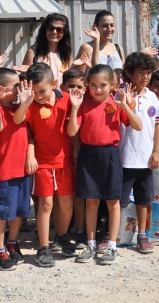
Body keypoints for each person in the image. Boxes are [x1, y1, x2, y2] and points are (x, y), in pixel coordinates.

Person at [68, 64, 142, 265]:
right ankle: (91, 244)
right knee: (91, 202)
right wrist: (75, 107)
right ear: (87, 85)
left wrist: (124, 105)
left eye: (102, 85)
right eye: (93, 85)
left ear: (112, 85)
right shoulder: (83, 105)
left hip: (110, 155)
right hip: (88, 155)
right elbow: (72, 131)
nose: (98, 89)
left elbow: (138, 125)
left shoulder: (117, 103)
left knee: (112, 202)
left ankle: (111, 245)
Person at [13, 63, 76, 267]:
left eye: (42, 91)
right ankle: (43, 247)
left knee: (66, 203)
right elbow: (18, 122)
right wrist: (24, 103)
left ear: (54, 84)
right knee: (45, 204)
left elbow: (73, 131)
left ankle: (62, 236)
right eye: (34, 92)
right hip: (42, 162)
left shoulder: (67, 100)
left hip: (64, 161)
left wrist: (75, 107)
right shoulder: (30, 104)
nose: (38, 96)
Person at [0, 52, 31, 271]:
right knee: (2, 213)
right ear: (3, 89)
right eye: (15, 86)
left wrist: (24, 102)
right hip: (4, 171)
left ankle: (12, 242)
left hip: (22, 170)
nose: (19, 89)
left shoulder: (19, 108)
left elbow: (20, 118)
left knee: (19, 211)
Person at [117, 52, 159, 255]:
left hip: (145, 159)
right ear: (128, 73)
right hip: (124, 158)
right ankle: (113, 235)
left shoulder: (152, 96)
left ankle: (142, 235)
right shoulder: (120, 95)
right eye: (141, 73)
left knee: (144, 200)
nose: (145, 77)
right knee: (118, 200)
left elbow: (158, 125)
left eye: (148, 73)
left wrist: (156, 152)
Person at [59, 68, 88, 249]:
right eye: (71, 86)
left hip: (80, 155)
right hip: (60, 156)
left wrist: (77, 150)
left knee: (78, 197)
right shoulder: (58, 103)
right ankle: (60, 231)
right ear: (62, 86)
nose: (75, 90)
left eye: (80, 86)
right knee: (60, 198)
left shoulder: (84, 104)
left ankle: (80, 232)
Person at [22, 13, 73, 86]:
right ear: (45, 29)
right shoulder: (33, 51)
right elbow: (25, 79)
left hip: (61, 96)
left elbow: (71, 78)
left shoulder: (67, 54)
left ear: (64, 32)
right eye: (51, 28)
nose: (54, 32)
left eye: (59, 29)